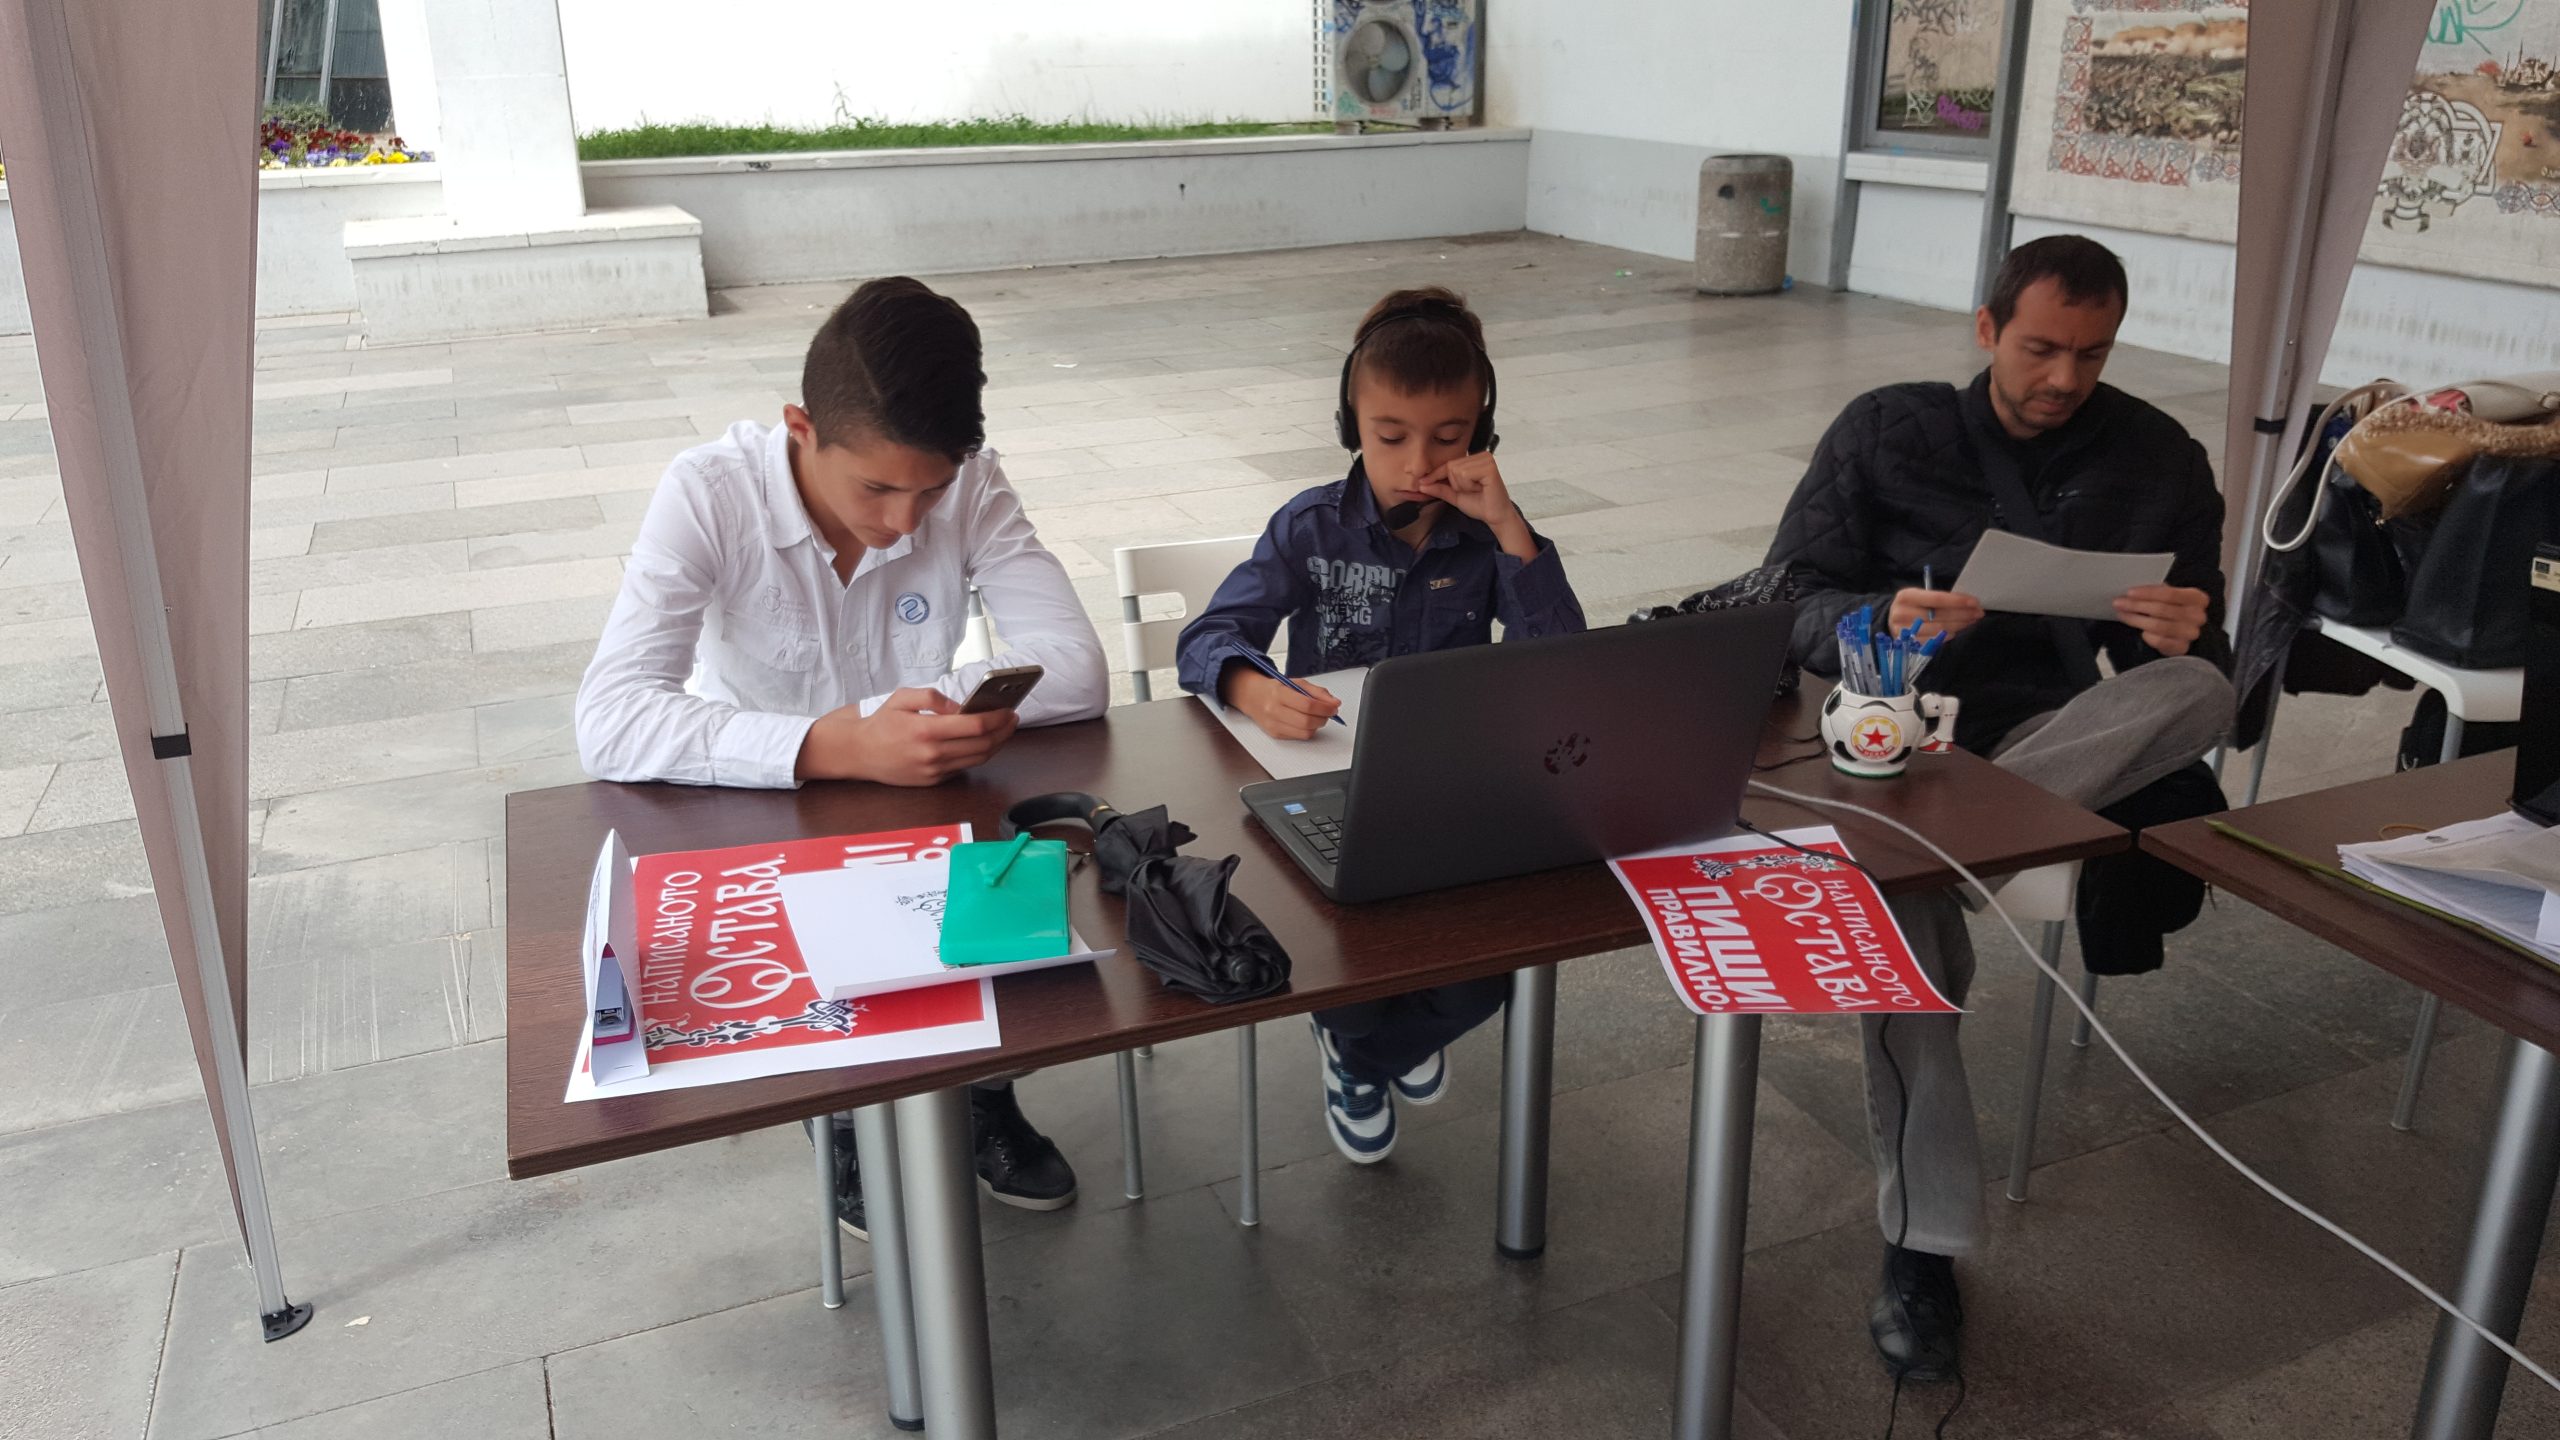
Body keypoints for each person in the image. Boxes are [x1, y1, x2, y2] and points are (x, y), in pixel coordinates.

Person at [1763, 234, 2235, 1384]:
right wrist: (1878, 617)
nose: (2064, 377)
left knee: (2200, 690)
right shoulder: (1888, 429)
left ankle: (1949, 848)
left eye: (2091, 354)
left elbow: (2198, 659)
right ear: (1986, 329)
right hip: (1890, 741)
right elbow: (1784, 597)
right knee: (1911, 943)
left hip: (2045, 744)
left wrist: (2183, 632)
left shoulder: (2157, 456)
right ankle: (1922, 1244)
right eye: (2039, 349)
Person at [574, 276, 1110, 1238]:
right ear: (801, 428)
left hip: (930, 805)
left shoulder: (972, 484)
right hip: (770, 815)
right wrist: (834, 740)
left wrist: (947, 705)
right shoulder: (709, 493)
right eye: (876, 488)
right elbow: (610, 717)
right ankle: (846, 1117)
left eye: (930, 490)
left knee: (1045, 943)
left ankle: (982, 1092)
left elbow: (1076, 668)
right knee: (846, 987)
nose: (906, 521)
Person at [1173, 286, 1586, 1163]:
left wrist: (1509, 526)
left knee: (1487, 979)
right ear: (1349, 424)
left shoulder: (1489, 538)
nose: (1418, 463)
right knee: (1345, 974)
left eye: (1449, 436)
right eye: (1389, 435)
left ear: (1483, 432)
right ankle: (1367, 1045)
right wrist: (1251, 685)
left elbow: (1561, 668)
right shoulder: (1311, 527)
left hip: (1449, 790)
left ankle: (1364, 1057)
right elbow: (1209, 636)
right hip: (1327, 787)